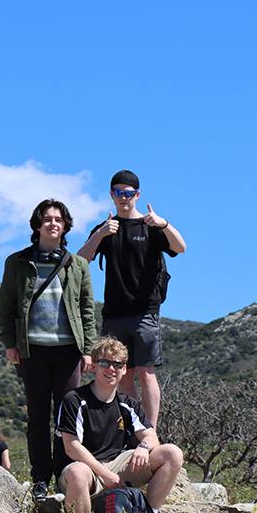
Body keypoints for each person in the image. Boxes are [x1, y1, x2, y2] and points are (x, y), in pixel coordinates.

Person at [0, 199, 98, 500]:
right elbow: (6, 305)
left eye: (58, 219)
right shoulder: (16, 262)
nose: (52, 223)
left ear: (65, 225)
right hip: (33, 350)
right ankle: (40, 477)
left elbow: (87, 309)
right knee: (38, 417)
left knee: (66, 417)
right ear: (37, 224)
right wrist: (10, 343)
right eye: (47, 219)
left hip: (69, 351)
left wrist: (88, 349)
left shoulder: (77, 265)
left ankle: (65, 475)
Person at [77, 169, 186, 431]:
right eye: (118, 193)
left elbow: (180, 248)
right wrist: (100, 234)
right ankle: (131, 428)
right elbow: (80, 260)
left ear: (137, 195)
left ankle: (150, 430)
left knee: (146, 373)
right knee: (122, 375)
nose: (123, 197)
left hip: (146, 311)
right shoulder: (106, 227)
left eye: (128, 193)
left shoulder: (151, 225)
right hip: (114, 312)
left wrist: (163, 223)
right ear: (111, 195)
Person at [55, 336, 184, 513]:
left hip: (116, 464)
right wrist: (105, 474)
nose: (111, 369)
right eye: (105, 363)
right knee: (78, 472)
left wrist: (143, 447)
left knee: (172, 453)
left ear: (124, 370)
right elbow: (71, 447)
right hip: (85, 471)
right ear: (93, 367)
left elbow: (151, 437)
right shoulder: (75, 400)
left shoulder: (127, 404)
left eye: (118, 364)